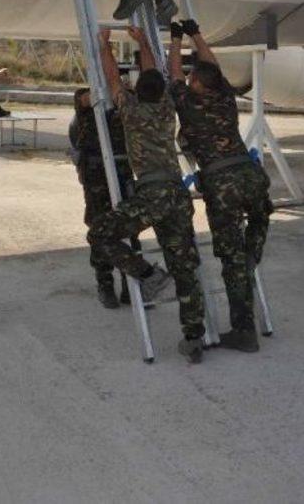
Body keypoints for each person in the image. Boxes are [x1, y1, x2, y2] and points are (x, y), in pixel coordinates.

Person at [88, 26, 206, 363]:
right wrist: (142, 43)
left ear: (137, 90)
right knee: (184, 264)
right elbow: (152, 73)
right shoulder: (169, 107)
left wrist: (104, 46)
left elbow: (112, 79)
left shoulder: (131, 109)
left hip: (152, 193)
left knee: (100, 233)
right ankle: (194, 337)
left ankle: (146, 275)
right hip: (176, 192)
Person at [168, 19, 274, 353]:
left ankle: (243, 331)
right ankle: (249, 258)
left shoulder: (189, 102)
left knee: (231, 260)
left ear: (195, 83)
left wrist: (174, 41)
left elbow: (174, 73)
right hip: (252, 177)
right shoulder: (224, 97)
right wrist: (196, 34)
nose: (187, 79)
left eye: (191, 78)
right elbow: (211, 66)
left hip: (223, 183)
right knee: (257, 223)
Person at [69, 87, 140, 309]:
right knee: (100, 229)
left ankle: (132, 286)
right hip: (97, 178)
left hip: (122, 173)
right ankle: (105, 284)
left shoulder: (124, 101)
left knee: (129, 229)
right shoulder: (87, 100)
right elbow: (83, 99)